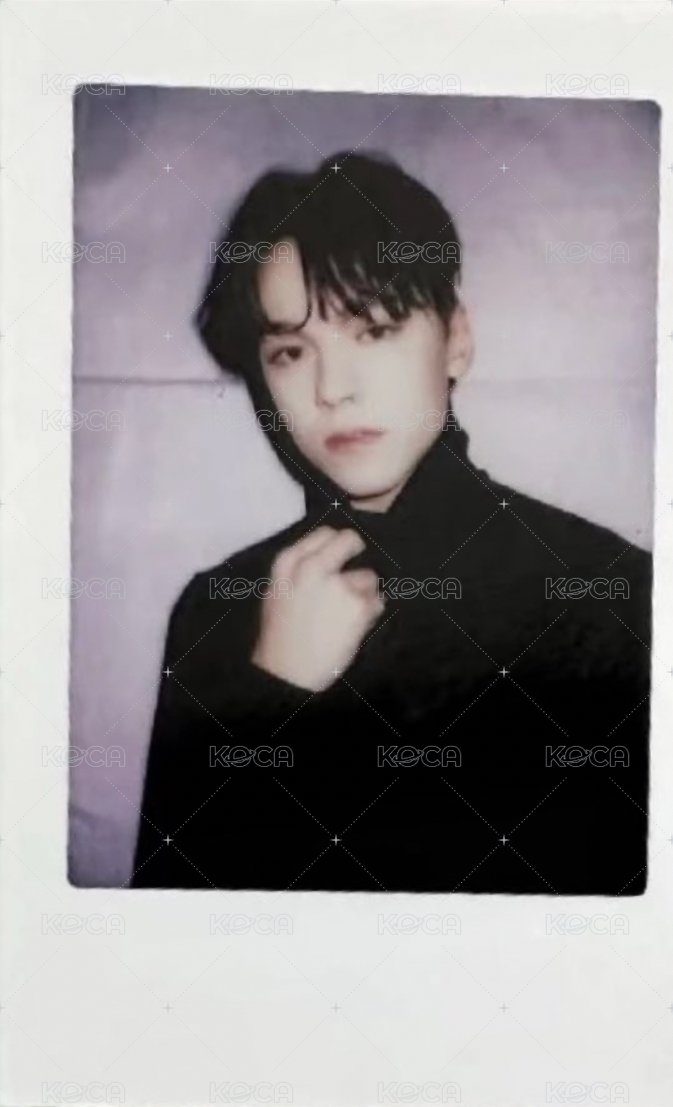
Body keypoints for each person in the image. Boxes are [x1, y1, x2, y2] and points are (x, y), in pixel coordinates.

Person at [132, 151, 652, 894]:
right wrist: (272, 691)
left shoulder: (606, 593)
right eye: (290, 351)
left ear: (456, 341)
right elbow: (167, 922)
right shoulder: (216, 608)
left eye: (373, 330)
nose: (331, 389)